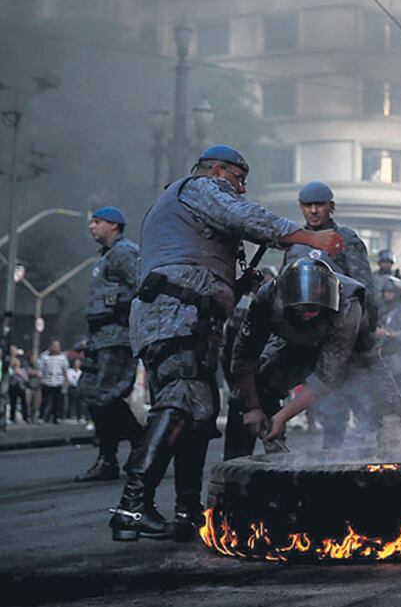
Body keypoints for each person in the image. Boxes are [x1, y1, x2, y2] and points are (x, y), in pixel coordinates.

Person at [109, 144, 344, 543]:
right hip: (175, 314)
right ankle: (132, 505)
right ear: (218, 171)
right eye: (239, 179)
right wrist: (308, 238)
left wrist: (238, 286)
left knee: (200, 415)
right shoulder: (199, 187)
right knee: (181, 401)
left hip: (189, 317)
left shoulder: (185, 208)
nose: (241, 188)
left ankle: (187, 512)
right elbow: (246, 216)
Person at [228, 257, 401, 457]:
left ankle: (391, 470)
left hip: (357, 355)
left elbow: (326, 377)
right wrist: (253, 407)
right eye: (303, 309)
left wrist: (284, 416)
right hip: (297, 348)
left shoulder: (347, 305)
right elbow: (244, 357)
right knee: (244, 395)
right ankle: (244, 468)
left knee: (392, 416)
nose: (310, 315)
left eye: (316, 309)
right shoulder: (266, 299)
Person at [76, 206, 145, 482]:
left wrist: (120, 310)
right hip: (99, 337)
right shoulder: (104, 257)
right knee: (90, 391)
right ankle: (127, 447)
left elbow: (142, 287)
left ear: (114, 225)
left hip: (117, 335)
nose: (92, 226)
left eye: (97, 222)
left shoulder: (124, 252)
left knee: (107, 394)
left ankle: (127, 449)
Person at [282, 181, 373, 288]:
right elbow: (281, 284)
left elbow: (364, 287)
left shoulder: (347, 240)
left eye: (319, 205)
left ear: (331, 206)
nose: (313, 210)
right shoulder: (295, 240)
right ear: (301, 207)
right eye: (308, 205)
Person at [375, 275, 401, 406]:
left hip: (398, 354)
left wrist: (389, 334)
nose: (388, 295)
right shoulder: (382, 309)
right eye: (386, 292)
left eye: (391, 292)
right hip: (384, 354)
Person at [37, 339, 70, 424]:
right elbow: (40, 369)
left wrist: (65, 382)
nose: (55, 348)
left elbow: (65, 370)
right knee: (45, 401)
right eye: (54, 346)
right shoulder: (44, 356)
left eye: (57, 346)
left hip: (58, 382)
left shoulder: (63, 357)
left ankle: (57, 417)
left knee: (58, 402)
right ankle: (42, 417)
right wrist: (40, 379)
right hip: (46, 381)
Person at [7, 353, 30, 423]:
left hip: (21, 387)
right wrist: (14, 372)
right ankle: (12, 418)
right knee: (13, 403)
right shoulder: (10, 370)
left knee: (24, 403)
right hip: (13, 387)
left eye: (17, 362)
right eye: (15, 362)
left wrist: (20, 373)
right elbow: (9, 377)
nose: (16, 363)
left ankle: (25, 417)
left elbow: (26, 378)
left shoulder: (23, 370)